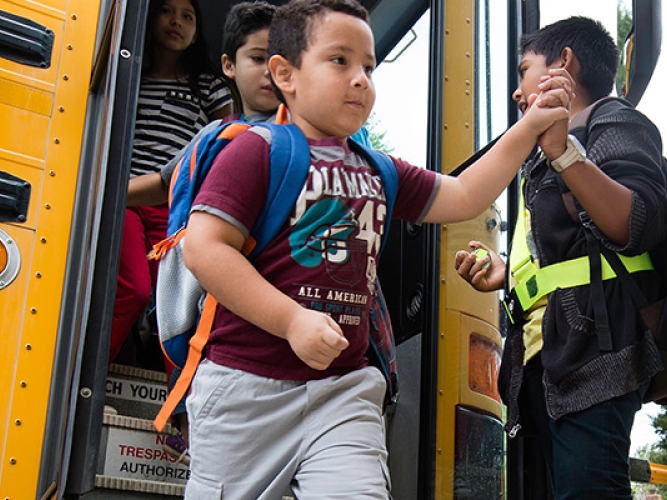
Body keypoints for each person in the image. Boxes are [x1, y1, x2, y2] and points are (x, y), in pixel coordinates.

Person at [177, 0, 573, 498]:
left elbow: (467, 194)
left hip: (344, 390)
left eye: (368, 65)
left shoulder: (380, 169)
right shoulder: (256, 150)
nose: (361, 78)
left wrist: (531, 125)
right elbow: (206, 249)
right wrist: (291, 320)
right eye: (340, 60)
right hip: (245, 387)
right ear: (286, 74)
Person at [451, 16, 667, 500]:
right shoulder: (543, 154)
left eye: (523, 70)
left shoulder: (612, 121)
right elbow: (570, 252)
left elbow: (637, 222)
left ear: (564, 63)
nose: (516, 92)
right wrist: (508, 274)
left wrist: (565, 153)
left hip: (596, 352)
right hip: (545, 357)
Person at [113, 0, 234, 364]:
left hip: (176, 206)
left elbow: (224, 144)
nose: (176, 22)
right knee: (134, 290)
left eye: (188, 16)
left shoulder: (208, 86)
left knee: (177, 305)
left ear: (197, 31)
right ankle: (94, 377)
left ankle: (180, 404)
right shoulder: (129, 74)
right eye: (167, 11)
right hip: (129, 198)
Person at [124, 0, 280, 208]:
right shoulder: (216, 134)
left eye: (279, 62)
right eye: (257, 58)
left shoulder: (303, 132)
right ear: (229, 65)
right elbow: (165, 182)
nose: (269, 71)